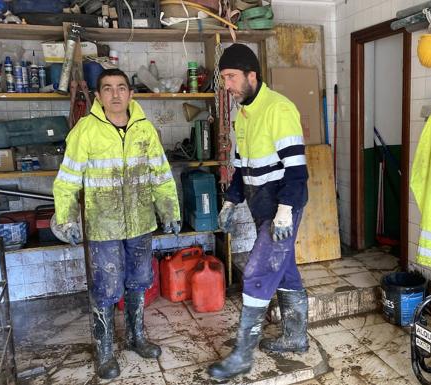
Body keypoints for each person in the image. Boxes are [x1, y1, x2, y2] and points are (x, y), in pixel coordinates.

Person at [52, 68, 181, 379]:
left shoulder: (145, 130)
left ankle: (136, 337)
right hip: (103, 226)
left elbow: (161, 177)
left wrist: (170, 211)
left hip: (140, 223)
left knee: (139, 282)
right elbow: (67, 180)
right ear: (98, 96)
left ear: (130, 94)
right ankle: (105, 349)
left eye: (121, 88)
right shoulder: (86, 131)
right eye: (107, 89)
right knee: (106, 289)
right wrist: (67, 218)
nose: (115, 94)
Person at [207, 43, 310, 381]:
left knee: (256, 271)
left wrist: (285, 211)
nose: (228, 85)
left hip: (283, 205)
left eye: (232, 77)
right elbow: (240, 168)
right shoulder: (243, 114)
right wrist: (230, 201)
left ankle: (242, 356)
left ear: (252, 75)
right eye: (224, 78)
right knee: (284, 268)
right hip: (259, 203)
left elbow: (296, 171)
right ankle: (296, 337)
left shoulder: (279, 109)